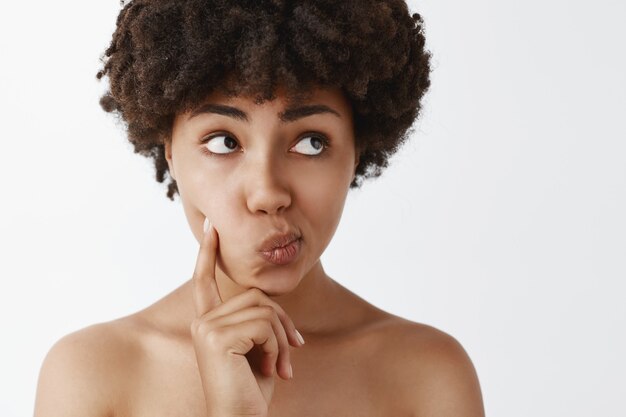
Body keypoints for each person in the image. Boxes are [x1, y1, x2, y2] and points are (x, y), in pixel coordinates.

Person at [34, 0, 485, 416]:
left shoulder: (426, 377)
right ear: (169, 148)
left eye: (311, 143)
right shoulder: (91, 377)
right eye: (224, 142)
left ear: (358, 150)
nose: (268, 193)